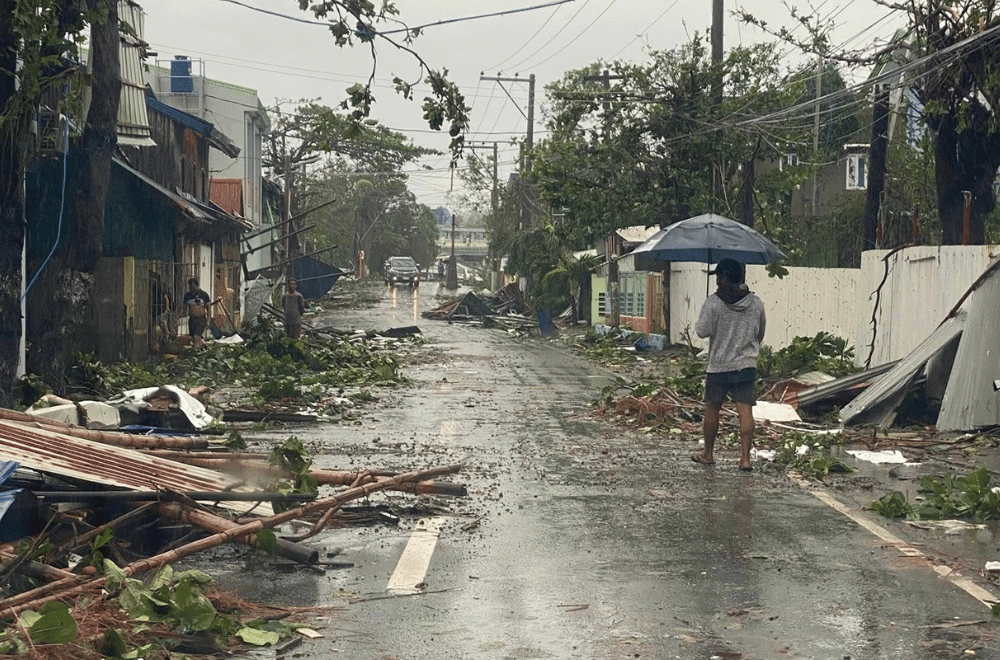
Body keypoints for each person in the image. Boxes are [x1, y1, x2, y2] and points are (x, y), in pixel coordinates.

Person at [691, 258, 767, 472]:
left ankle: (708, 453)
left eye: (718, 276)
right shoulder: (756, 303)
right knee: (745, 410)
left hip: (719, 366)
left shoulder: (713, 302)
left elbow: (701, 331)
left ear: (723, 277)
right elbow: (759, 334)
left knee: (712, 408)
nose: (716, 280)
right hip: (746, 365)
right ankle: (745, 459)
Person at [183, 277, 211, 348]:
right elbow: (183, 308)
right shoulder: (187, 296)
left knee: (196, 337)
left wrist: (208, 320)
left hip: (201, 319)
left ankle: (195, 353)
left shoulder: (204, 295)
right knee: (194, 338)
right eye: (190, 286)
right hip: (192, 320)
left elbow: (209, 308)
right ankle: (200, 347)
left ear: (197, 285)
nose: (191, 288)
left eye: (193, 286)